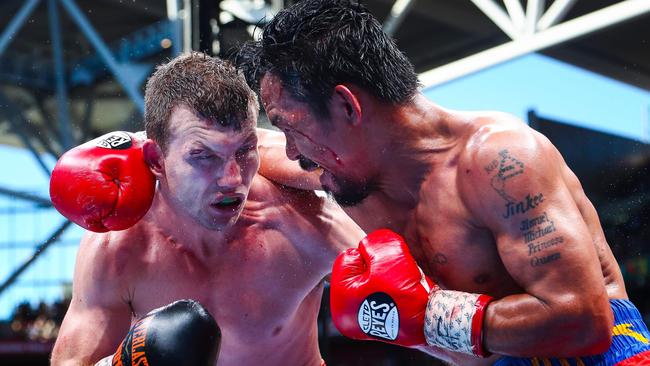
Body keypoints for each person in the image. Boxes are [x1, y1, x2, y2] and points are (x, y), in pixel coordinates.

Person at [237, 0, 650, 364]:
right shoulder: (341, 167)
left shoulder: (501, 162)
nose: (292, 152)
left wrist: (431, 314)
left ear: (347, 105)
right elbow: (247, 150)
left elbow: (583, 321)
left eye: (293, 128)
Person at [50, 52, 365, 366]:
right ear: (157, 160)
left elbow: (410, 290)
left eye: (244, 150)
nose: (231, 179)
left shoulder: (301, 222)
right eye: (204, 156)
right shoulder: (119, 248)